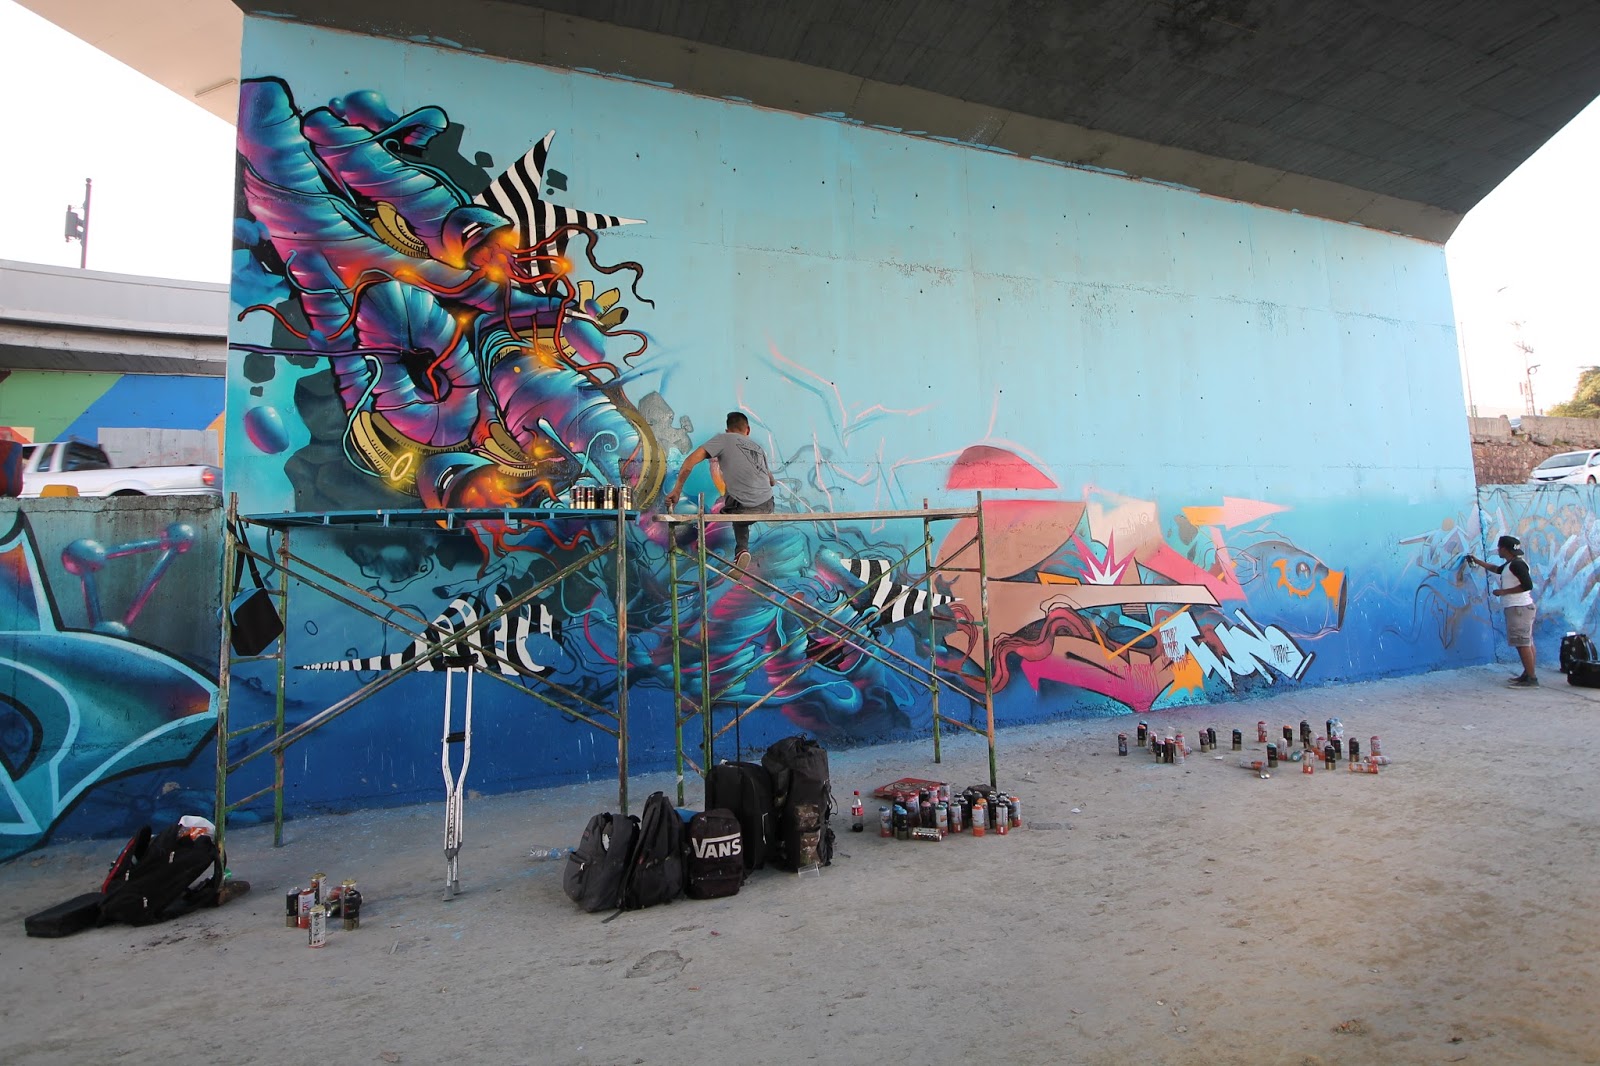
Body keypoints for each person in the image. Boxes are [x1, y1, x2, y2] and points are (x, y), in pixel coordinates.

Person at [663, 412, 776, 569]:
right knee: (741, 506)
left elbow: (689, 462)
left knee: (735, 502)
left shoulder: (723, 439)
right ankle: (741, 550)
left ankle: (739, 549)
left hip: (742, 507)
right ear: (748, 430)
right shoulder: (758, 448)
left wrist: (677, 490)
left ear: (727, 430)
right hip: (768, 505)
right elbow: (771, 481)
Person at [1466, 534, 1537, 686]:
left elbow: (1527, 585)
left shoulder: (1517, 565)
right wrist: (1478, 561)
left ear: (1504, 549)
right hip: (1519, 608)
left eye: (1499, 547)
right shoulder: (1510, 564)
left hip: (1519, 608)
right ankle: (1528, 673)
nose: (1498, 550)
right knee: (1526, 642)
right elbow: (1496, 569)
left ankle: (1531, 678)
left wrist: (1503, 592)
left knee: (1523, 643)